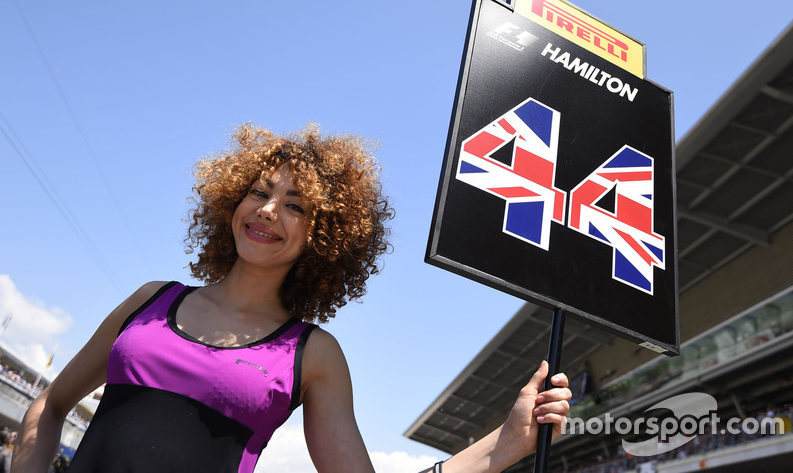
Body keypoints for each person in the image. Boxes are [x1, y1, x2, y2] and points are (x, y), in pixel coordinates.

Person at [11, 124, 571, 472]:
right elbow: (52, 403)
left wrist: (505, 445)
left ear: (324, 235)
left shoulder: (313, 355)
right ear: (231, 200)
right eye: (259, 191)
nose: (268, 210)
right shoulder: (149, 300)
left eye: (296, 204)